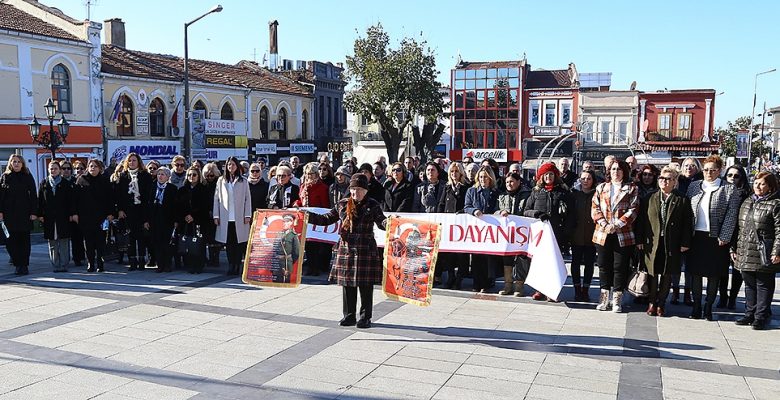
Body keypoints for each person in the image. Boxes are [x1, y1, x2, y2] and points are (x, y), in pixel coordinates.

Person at [307, 174, 388, 329]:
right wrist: (307, 215)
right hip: (347, 249)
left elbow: (381, 222)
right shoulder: (343, 204)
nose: (355, 193)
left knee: (366, 286)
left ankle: (365, 317)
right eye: (352, 189)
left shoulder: (373, 205)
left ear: (365, 190)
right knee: (348, 284)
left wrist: (390, 222)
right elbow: (326, 219)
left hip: (365, 249)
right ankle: (349, 316)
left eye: (358, 190)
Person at [686, 155, 741, 321]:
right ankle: (696, 306)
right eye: (706, 169)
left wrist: (725, 236)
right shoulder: (694, 186)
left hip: (716, 238)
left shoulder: (729, 189)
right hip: (696, 236)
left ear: (720, 171)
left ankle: (708, 306)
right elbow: (687, 211)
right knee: (695, 273)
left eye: (713, 170)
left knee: (713, 274)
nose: (709, 173)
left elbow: (732, 215)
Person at [636, 166, 692, 317]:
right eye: (661, 178)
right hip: (652, 242)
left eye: (668, 179)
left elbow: (688, 223)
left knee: (667, 274)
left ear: (674, 181)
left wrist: (685, 242)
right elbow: (642, 220)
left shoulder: (682, 199)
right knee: (652, 273)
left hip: (672, 243)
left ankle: (662, 303)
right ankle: (652, 302)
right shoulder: (650, 197)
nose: (664, 181)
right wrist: (639, 239)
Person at [732, 171, 780, 330]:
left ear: (770, 186)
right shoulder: (747, 202)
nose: (758, 186)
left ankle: (761, 316)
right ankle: (749, 313)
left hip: (764, 251)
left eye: (762, 184)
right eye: (756, 183)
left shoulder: (776, 204)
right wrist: (735, 248)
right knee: (749, 284)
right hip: (746, 249)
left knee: (763, 284)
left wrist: (776, 251)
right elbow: (740, 228)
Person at [591, 160, 639, 312]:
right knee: (603, 265)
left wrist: (617, 225)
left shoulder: (631, 188)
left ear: (624, 171)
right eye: (613, 169)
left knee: (620, 266)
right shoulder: (601, 187)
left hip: (622, 234)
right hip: (602, 232)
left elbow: (633, 210)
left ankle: (617, 299)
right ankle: (604, 298)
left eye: (619, 169)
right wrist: (605, 225)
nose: (615, 172)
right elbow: (595, 207)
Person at [523, 162, 571, 301]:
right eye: (546, 174)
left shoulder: (563, 192)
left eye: (551, 174)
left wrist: (566, 230)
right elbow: (526, 210)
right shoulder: (536, 192)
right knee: (540, 263)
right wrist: (536, 213)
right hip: (540, 234)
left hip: (557, 233)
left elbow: (571, 214)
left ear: (555, 176)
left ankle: (552, 290)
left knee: (554, 262)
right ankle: (540, 289)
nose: (548, 177)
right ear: (541, 177)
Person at [113, 153, 154, 271]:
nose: (132, 163)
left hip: (141, 210)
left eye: (134, 160)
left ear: (139, 162)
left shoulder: (145, 176)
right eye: (129, 161)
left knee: (141, 237)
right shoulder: (123, 176)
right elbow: (119, 195)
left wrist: (146, 216)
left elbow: (148, 196)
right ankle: (132, 261)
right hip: (128, 211)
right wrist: (120, 210)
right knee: (130, 237)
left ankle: (141, 261)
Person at [671, 157, 703, 305]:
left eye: (692, 166)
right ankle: (675, 291)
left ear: (697, 168)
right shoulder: (677, 181)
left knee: (690, 265)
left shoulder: (702, 182)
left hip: (695, 227)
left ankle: (688, 293)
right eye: (686, 165)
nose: (689, 168)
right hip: (678, 226)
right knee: (676, 263)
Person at [213, 156, 253, 275]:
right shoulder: (221, 180)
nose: (231, 167)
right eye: (229, 165)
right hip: (226, 217)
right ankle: (231, 265)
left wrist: (247, 215)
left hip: (239, 216)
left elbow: (247, 199)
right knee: (229, 244)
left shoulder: (243, 181)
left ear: (237, 166)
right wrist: (216, 215)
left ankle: (237, 265)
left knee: (239, 243)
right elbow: (216, 199)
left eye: (233, 165)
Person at [0, 154, 38, 275]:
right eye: (14, 161)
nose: (16, 164)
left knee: (24, 241)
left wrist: (33, 212)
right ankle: (17, 263)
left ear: (22, 164)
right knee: (10, 242)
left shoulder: (27, 176)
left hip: (24, 213)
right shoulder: (5, 177)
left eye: (18, 162)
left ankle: (24, 265)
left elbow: (33, 195)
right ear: (10, 163)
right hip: (9, 214)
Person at [464, 166, 500, 292]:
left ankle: (487, 282)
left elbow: (497, 207)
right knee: (476, 256)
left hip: (491, 229)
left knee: (488, 257)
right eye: (480, 177)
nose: (483, 179)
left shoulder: (495, 192)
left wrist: (498, 212)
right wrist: (474, 211)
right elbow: (466, 207)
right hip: (476, 229)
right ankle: (476, 282)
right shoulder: (471, 191)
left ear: (490, 178)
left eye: (485, 177)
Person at [74, 159, 114, 273]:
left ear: (100, 168)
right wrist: (75, 213)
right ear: (87, 168)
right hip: (85, 217)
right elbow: (75, 199)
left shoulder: (105, 181)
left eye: (95, 166)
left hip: (101, 217)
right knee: (88, 241)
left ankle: (100, 263)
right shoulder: (81, 180)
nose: (93, 168)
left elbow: (110, 199)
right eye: (91, 166)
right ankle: (90, 262)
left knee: (101, 241)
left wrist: (110, 213)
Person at [37, 160, 77, 273]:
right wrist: (40, 214)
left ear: (59, 170)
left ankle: (64, 264)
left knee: (64, 241)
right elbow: (40, 200)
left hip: (63, 216)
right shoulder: (44, 183)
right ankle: (55, 264)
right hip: (49, 217)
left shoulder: (65, 183)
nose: (53, 170)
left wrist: (71, 214)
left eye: (55, 168)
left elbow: (71, 201)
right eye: (51, 169)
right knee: (52, 242)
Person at [496, 172, 532, 296]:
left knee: (521, 258)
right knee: (507, 257)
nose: (509, 184)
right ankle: (507, 284)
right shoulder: (502, 196)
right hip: (506, 233)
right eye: (507, 182)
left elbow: (528, 211)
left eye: (511, 181)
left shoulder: (527, 195)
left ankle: (519, 285)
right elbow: (494, 211)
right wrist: (500, 211)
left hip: (522, 233)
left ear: (518, 182)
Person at [719, 164, 749, 309]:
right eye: (730, 175)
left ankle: (732, 298)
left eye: (736, 176)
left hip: (739, 237)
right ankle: (723, 297)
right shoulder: (720, 191)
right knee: (722, 270)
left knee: (737, 270)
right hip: (723, 236)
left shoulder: (746, 195)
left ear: (741, 178)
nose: (732, 178)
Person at [294, 162, 330, 276]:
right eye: (307, 173)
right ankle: (310, 266)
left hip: (317, 219)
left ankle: (316, 267)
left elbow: (325, 204)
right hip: (305, 218)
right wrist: (296, 203)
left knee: (317, 244)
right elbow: (300, 199)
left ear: (316, 174)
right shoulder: (303, 186)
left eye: (311, 174)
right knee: (308, 244)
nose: (309, 176)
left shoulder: (322, 187)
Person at [438, 162, 469, 289]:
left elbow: (467, 205)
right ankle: (450, 276)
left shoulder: (466, 187)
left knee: (461, 254)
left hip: (461, 225)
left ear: (461, 173)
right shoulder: (447, 187)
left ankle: (459, 278)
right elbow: (441, 204)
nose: (454, 174)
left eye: (456, 171)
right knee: (449, 254)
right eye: (452, 172)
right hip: (449, 225)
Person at [569, 170, 598, 301]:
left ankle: (585, 289)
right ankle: (577, 289)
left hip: (592, 235)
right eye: (583, 178)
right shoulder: (574, 195)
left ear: (593, 180)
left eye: (588, 178)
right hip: (576, 234)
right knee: (575, 263)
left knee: (589, 264)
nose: (585, 181)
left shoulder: (597, 194)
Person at [177, 166, 210, 274]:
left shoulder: (204, 189)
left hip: (199, 221)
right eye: (190, 175)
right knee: (188, 242)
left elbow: (205, 206)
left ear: (198, 176)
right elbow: (179, 205)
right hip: (185, 221)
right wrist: (185, 215)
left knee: (199, 244)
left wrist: (194, 216)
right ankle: (189, 264)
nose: (192, 177)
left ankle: (199, 265)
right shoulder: (182, 189)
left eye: (194, 175)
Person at [145, 167, 178, 273]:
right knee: (157, 242)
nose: (160, 176)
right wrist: (146, 220)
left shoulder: (172, 188)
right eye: (159, 174)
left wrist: (175, 220)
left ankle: (167, 264)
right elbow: (147, 204)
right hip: (154, 218)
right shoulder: (152, 186)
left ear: (168, 177)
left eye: (163, 174)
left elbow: (175, 206)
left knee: (166, 243)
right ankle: (160, 264)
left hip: (167, 219)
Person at [62, 160, 86, 268]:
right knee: (63, 239)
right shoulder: (58, 181)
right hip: (62, 214)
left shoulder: (75, 181)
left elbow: (76, 199)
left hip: (75, 214)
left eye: (68, 168)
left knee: (77, 237)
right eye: (64, 168)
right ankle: (62, 259)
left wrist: (74, 213)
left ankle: (78, 258)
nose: (66, 170)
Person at [202, 162, 222, 267]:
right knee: (208, 237)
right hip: (206, 214)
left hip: (217, 213)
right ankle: (210, 257)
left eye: (211, 175)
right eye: (207, 176)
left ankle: (216, 258)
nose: (209, 177)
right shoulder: (204, 185)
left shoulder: (219, 184)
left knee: (216, 237)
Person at [274, 214, 300, 283]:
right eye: (284, 221)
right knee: (275, 282)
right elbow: (274, 248)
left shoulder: (293, 235)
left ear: (291, 223)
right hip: (277, 262)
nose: (285, 223)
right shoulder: (279, 234)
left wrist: (290, 260)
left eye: (287, 221)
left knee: (285, 282)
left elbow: (296, 252)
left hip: (286, 262)